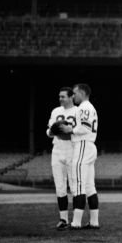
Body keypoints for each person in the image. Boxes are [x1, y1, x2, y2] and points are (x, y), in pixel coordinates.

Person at [69, 83, 101, 230]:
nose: (73, 96)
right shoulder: (90, 107)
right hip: (89, 145)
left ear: (82, 93)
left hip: (82, 144)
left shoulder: (84, 107)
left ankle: (76, 222)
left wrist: (68, 129)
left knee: (79, 184)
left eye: (74, 93)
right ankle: (94, 222)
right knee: (89, 186)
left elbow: (83, 127)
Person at [46, 86, 77, 229]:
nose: (60, 99)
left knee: (75, 186)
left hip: (72, 148)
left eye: (63, 96)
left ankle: (76, 220)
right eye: (59, 96)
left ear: (71, 97)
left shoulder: (77, 111)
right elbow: (48, 131)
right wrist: (51, 132)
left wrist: (69, 130)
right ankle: (63, 219)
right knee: (60, 186)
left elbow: (80, 131)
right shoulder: (56, 111)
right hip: (57, 148)